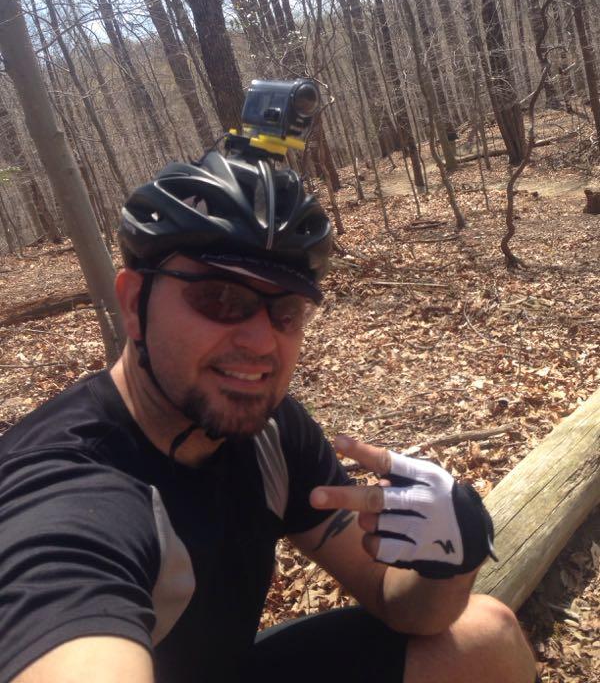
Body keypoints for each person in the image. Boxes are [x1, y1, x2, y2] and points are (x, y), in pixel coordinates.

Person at [0, 151, 537, 683]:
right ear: (133, 301)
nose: (262, 342)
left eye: (286, 312)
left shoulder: (270, 432)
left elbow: (391, 598)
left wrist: (451, 561)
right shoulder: (64, 488)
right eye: (220, 298)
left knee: (486, 634)